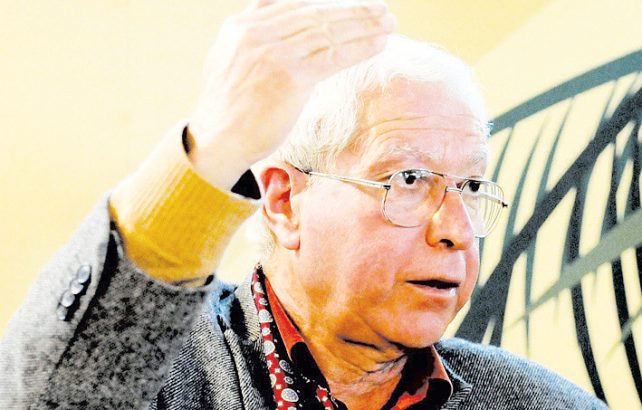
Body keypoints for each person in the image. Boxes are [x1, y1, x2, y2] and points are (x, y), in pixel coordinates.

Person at [0, 1, 607, 409]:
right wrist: (216, 147)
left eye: (470, 188)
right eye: (409, 179)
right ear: (285, 201)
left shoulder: (538, 400)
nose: (455, 230)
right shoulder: (166, 370)